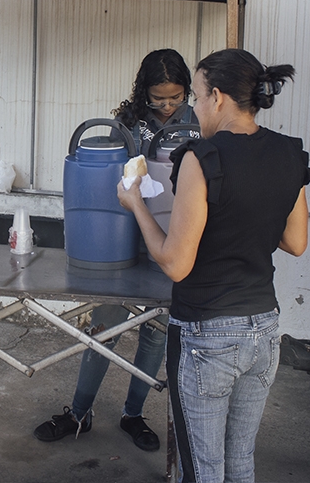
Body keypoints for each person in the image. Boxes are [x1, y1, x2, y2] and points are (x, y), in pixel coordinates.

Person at [117, 48, 310, 482]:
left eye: (198, 97)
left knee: (203, 470)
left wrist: (136, 205)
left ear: (218, 97)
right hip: (264, 331)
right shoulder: (289, 153)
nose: (196, 108)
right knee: (240, 461)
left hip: (207, 333)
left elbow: (175, 264)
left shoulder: (201, 157)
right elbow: (296, 242)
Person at [34, 49, 197, 451]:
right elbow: (106, 176)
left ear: (187, 91)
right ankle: (79, 413)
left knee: (156, 333)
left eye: (175, 98)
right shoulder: (127, 122)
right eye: (158, 98)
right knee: (104, 329)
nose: (167, 106)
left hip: (171, 241)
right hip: (121, 240)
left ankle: (133, 414)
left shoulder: (197, 124)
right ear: (144, 92)